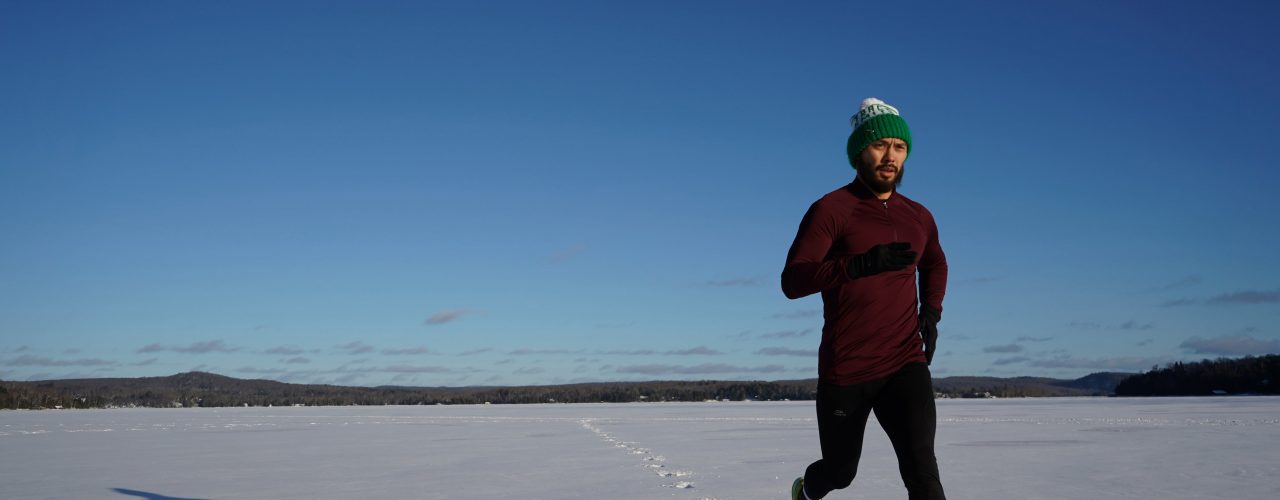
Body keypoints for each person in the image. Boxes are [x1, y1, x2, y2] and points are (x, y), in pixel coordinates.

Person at [782, 97, 948, 499]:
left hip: (904, 361)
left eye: (899, 147)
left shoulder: (919, 215)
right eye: (880, 145)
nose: (890, 156)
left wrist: (931, 311)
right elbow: (793, 280)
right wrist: (855, 266)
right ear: (859, 152)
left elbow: (936, 263)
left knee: (922, 470)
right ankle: (806, 492)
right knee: (840, 472)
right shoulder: (832, 209)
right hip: (848, 367)